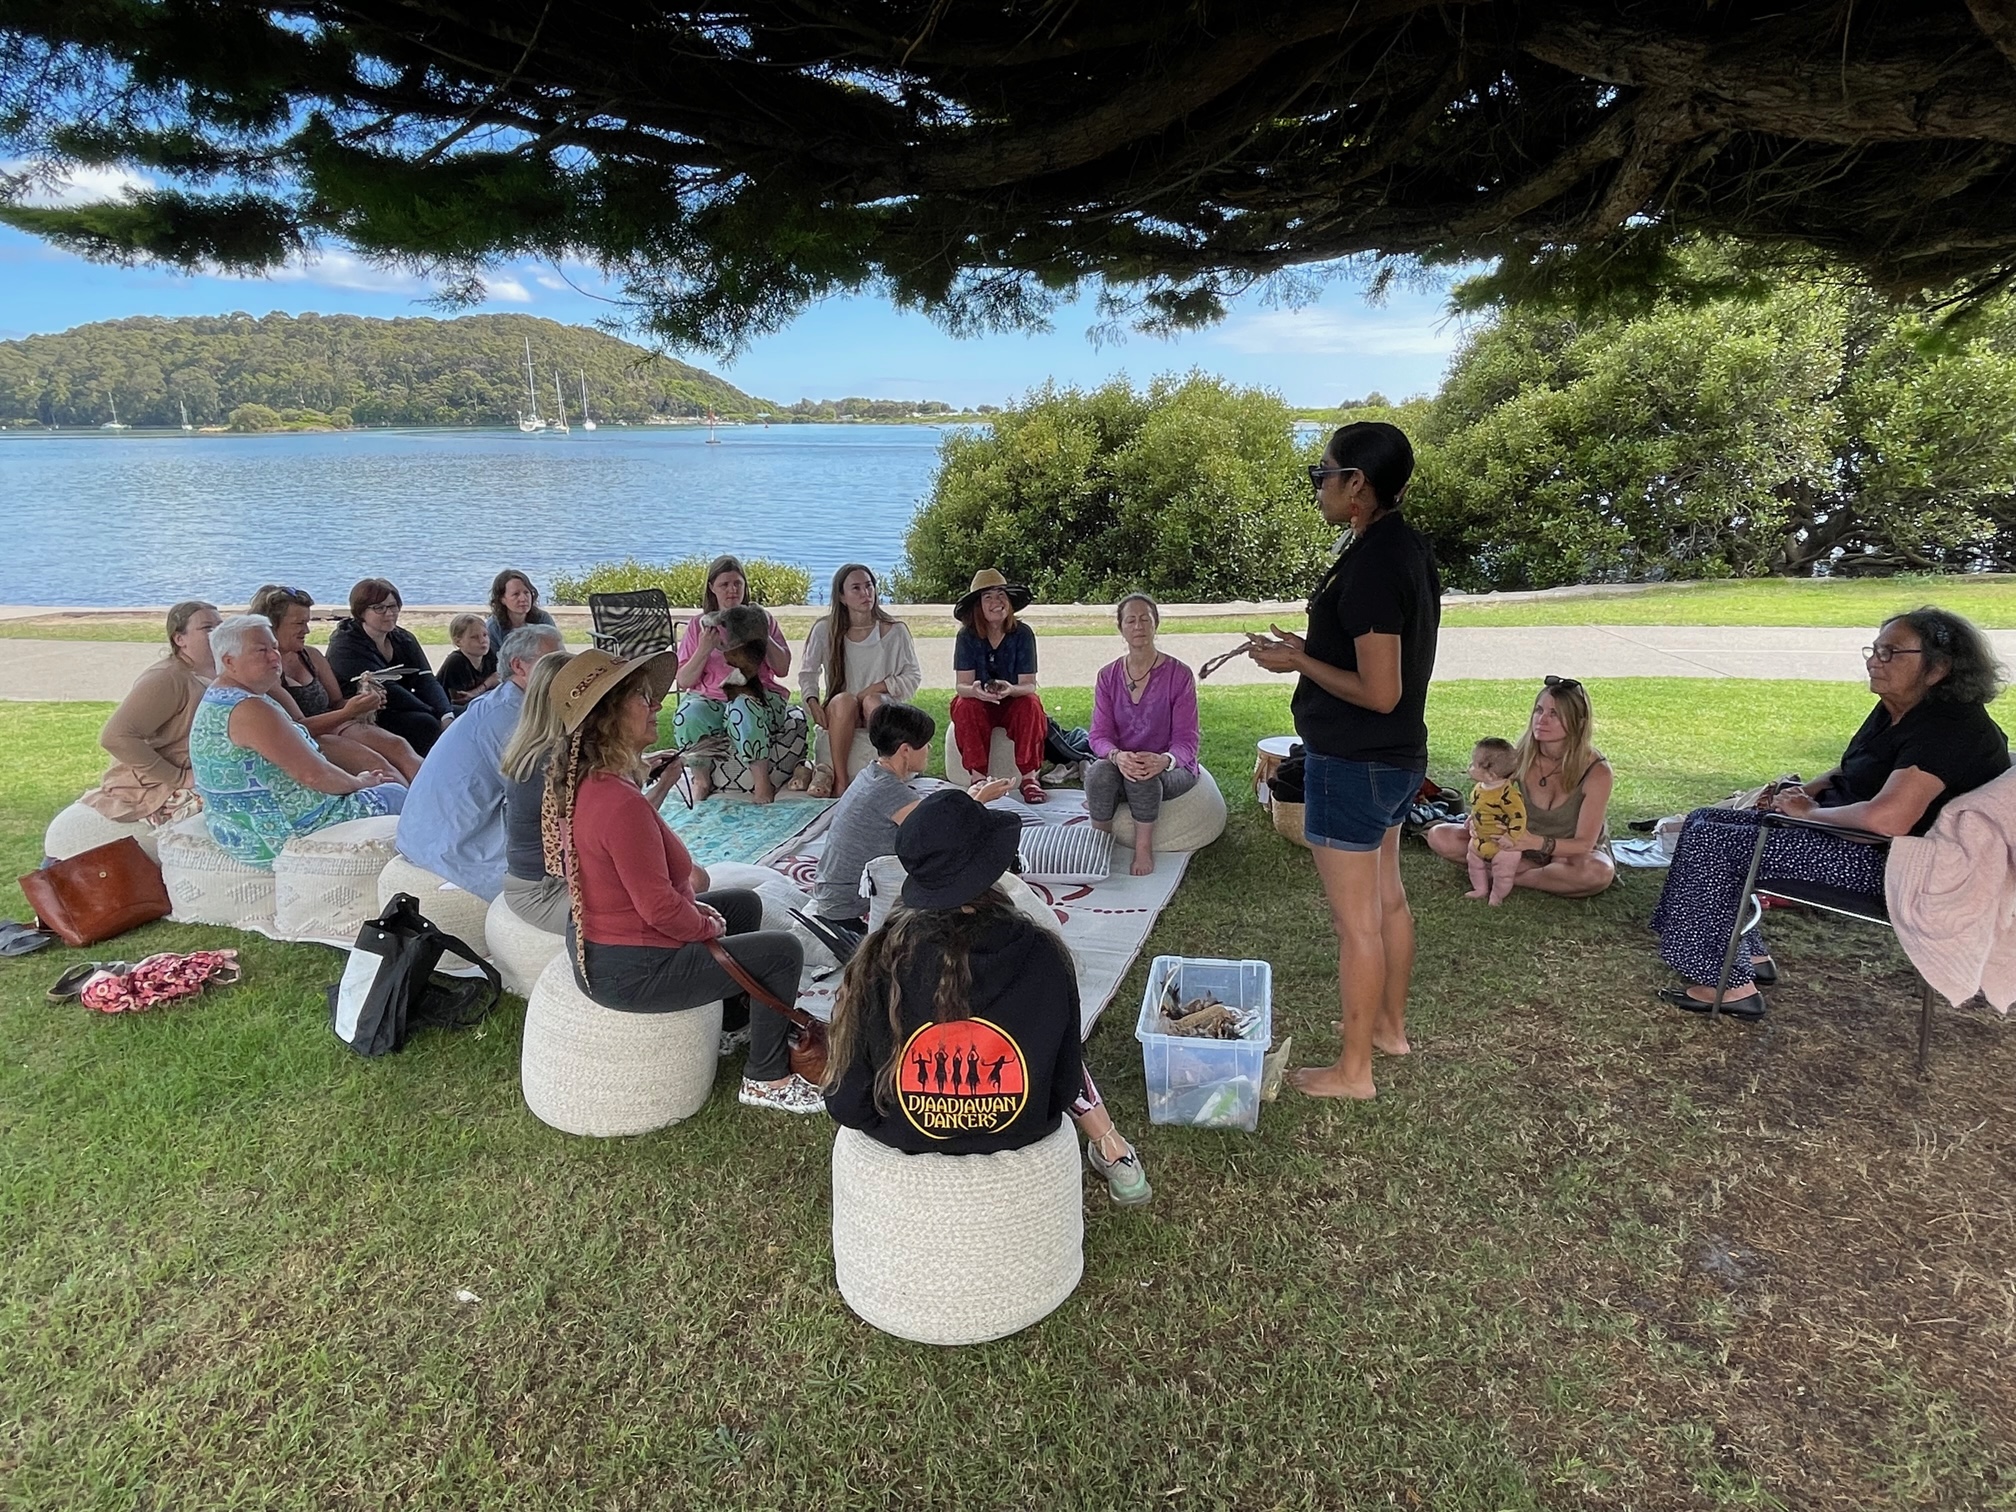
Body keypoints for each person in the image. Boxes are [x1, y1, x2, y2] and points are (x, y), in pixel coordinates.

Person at [1649, 608, 2009, 1018]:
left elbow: (1886, 820)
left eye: (1891, 652)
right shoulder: (1900, 710)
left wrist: (1807, 813)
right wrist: (1802, 792)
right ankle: (1743, 957)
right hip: (1851, 838)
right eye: (1874, 650)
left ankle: (1726, 987)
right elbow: (1855, 767)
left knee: (1716, 843)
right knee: (1703, 821)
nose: (1874, 660)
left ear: (1938, 668)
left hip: (1894, 866)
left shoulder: (1950, 730)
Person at [822, 789, 1151, 1203]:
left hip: (903, 1134)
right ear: (995, 866)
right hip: (1022, 1130)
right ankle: (1113, 1148)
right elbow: (1065, 1084)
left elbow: (847, 1102)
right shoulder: (1044, 955)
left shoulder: (877, 959)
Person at [1245, 421, 1439, 1101]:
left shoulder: (1375, 563)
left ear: (1358, 484)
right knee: (1387, 900)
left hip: (1355, 763)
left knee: (1356, 922)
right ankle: (1388, 1029)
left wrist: (1298, 659)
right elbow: (1371, 661)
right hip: (1394, 761)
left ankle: (1354, 1071)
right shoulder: (1397, 544)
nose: (1317, 485)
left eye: (1322, 473)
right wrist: (1306, 647)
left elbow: (1380, 691)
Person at [547, 647, 821, 1113]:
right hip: (632, 969)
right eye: (642, 698)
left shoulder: (595, 785)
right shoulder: (618, 803)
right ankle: (767, 1077)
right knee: (782, 951)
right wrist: (703, 925)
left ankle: (733, 1023)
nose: (656, 705)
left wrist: (700, 912)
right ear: (611, 717)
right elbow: (659, 910)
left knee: (743, 905)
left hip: (615, 951)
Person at [188, 615, 406, 867]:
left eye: (274, 648)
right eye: (261, 651)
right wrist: (359, 782)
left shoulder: (220, 697)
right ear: (229, 661)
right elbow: (314, 774)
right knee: (393, 792)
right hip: (276, 834)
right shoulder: (249, 708)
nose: (274, 657)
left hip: (240, 827)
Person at [811, 703, 1010, 943]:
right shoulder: (887, 790)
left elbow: (929, 815)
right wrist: (979, 800)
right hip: (847, 911)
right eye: (925, 744)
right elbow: (942, 835)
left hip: (833, 896)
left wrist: (969, 797)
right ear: (905, 750)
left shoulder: (872, 775)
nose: (929, 749)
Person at [394, 623, 564, 899]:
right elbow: (542, 796)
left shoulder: (517, 706)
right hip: (451, 846)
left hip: (439, 833)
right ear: (519, 666)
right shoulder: (506, 716)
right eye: (551, 663)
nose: (562, 672)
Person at [1422, 678, 1616, 898]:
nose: (1541, 720)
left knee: (1598, 872)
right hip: (1513, 844)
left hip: (1567, 853)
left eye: (1554, 714)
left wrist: (1535, 842)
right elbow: (1490, 795)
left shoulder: (1597, 771)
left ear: (1579, 723)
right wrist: (1478, 821)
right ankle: (1540, 876)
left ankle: (1505, 876)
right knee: (1440, 836)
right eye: (1539, 710)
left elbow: (1583, 845)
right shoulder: (1517, 758)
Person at [247, 584, 423, 783]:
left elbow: (337, 701)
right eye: (299, 623)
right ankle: (410, 807)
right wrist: (348, 712)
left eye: (307, 622)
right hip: (303, 740)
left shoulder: (310, 656)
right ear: (271, 626)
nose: (307, 630)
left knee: (398, 746)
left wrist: (362, 700)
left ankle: (445, 800)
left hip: (336, 726)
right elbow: (300, 727)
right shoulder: (266, 669)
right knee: (376, 764)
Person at [1087, 593, 1201, 876]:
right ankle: (1099, 844)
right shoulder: (1108, 676)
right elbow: (1098, 736)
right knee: (1098, 773)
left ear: (1155, 624)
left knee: (1142, 777)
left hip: (1171, 765)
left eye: (1144, 619)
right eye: (1131, 620)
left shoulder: (1179, 674)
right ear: (1121, 628)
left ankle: (1142, 849)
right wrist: (1117, 756)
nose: (1138, 626)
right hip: (1123, 760)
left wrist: (1164, 760)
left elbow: (1187, 740)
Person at [81, 600, 221, 826]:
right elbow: (115, 737)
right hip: (159, 787)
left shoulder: (219, 670)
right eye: (207, 628)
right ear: (179, 639)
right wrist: (180, 777)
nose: (218, 633)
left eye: (220, 626)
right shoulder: (167, 678)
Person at [672, 554, 794, 803]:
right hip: (712, 698)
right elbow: (684, 680)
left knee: (743, 704)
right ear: (712, 588)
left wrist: (762, 635)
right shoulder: (700, 626)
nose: (732, 590)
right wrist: (704, 649)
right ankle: (701, 779)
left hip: (757, 695)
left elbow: (782, 669)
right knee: (688, 714)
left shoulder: (762, 618)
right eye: (724, 584)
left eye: (737, 583)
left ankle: (762, 783)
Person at [800, 563, 923, 797]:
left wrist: (876, 688)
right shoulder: (824, 629)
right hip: (843, 711)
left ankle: (885, 776)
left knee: (872, 702)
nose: (865, 593)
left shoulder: (894, 631)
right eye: (856, 588)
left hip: (880, 708)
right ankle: (841, 782)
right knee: (845, 700)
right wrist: (812, 701)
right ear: (842, 596)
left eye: (869, 586)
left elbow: (912, 677)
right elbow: (807, 673)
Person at [950, 568, 1049, 805]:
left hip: (1013, 700)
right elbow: (961, 686)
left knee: (1031, 705)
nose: (997, 602)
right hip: (979, 701)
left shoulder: (1022, 634)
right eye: (988, 597)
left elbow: (1029, 685)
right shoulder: (967, 636)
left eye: (1001, 595)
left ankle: (1030, 778)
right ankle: (978, 779)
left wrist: (1010, 689)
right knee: (965, 705)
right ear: (978, 606)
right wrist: (975, 691)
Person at [325, 578, 454, 755]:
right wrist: (433, 713)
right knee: (425, 724)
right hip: (368, 712)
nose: (389, 613)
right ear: (361, 611)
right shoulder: (345, 645)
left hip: (404, 706)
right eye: (379, 608)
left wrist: (446, 715)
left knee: (463, 713)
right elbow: (389, 690)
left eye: (393, 606)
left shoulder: (403, 638)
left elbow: (425, 679)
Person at [1462, 737, 1527, 904]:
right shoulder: (1480, 788)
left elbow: (1519, 817)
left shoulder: (1508, 796)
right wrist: (1472, 819)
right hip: (1480, 840)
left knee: (1503, 872)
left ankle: (1497, 896)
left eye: (1474, 764)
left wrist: (1510, 838)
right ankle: (1480, 889)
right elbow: (1479, 808)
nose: (1470, 766)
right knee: (1473, 861)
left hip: (1502, 846)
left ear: (1491, 775)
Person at [485, 568, 556, 655]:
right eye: (516, 594)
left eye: (526, 593)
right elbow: (491, 662)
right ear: (502, 599)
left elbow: (557, 653)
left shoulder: (543, 619)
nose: (523, 599)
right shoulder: (494, 627)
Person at [439, 613, 500, 708]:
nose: (482, 640)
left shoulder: (489, 655)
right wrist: (488, 684)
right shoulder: (456, 662)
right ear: (458, 641)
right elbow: (460, 700)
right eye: (474, 637)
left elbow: (499, 677)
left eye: (485, 635)